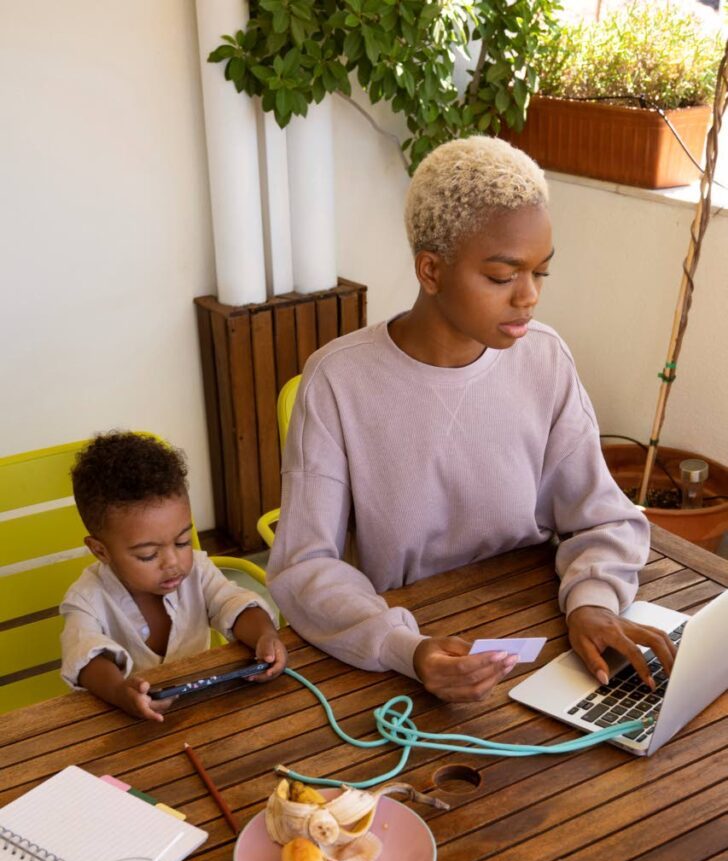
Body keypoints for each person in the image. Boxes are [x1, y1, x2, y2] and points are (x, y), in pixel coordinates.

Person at [267, 135, 676, 703]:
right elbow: (304, 567)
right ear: (431, 270)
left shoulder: (545, 358)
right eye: (503, 277)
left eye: (541, 273)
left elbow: (603, 519)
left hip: (545, 636)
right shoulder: (338, 382)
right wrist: (404, 647)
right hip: (408, 655)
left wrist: (592, 603)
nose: (528, 298)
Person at [61, 432, 286, 721]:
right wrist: (120, 692)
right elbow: (84, 653)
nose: (173, 562)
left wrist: (265, 636)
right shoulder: (86, 599)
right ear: (100, 551)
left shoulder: (197, 572)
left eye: (182, 542)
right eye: (148, 555)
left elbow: (233, 602)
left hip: (203, 714)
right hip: (126, 727)